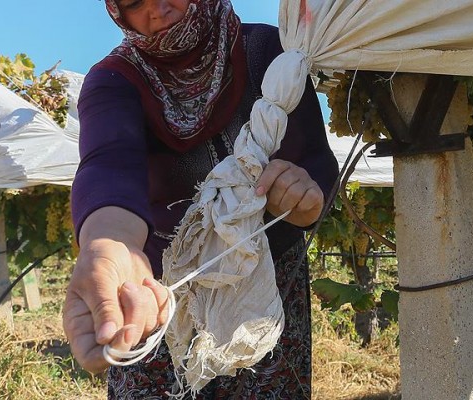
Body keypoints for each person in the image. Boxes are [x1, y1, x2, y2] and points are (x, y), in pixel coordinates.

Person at [62, 0, 338, 398]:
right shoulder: (114, 80)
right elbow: (109, 164)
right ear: (118, 12)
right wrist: (110, 247)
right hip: (158, 292)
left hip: (268, 287)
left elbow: (316, 160)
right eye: (134, 3)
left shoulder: (268, 51)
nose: (156, 9)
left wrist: (306, 197)